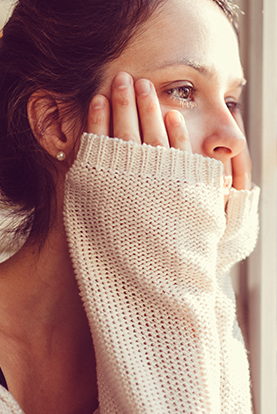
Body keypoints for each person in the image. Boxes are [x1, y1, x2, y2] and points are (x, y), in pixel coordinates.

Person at [0, 0, 259, 412]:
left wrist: (202, 270)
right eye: (183, 91)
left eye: (231, 101)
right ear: (54, 123)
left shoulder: (206, 321)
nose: (232, 137)